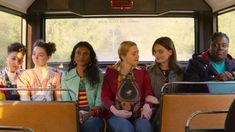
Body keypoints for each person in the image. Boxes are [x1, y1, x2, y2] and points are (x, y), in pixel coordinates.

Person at [101, 41, 153, 132]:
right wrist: (116, 112)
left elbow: (148, 93)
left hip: (138, 113)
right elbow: (105, 96)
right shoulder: (111, 72)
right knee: (126, 128)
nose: (137, 56)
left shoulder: (142, 71)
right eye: (134, 54)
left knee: (145, 127)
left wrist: (147, 106)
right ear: (123, 56)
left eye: (138, 53)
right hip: (116, 114)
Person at [61, 41, 104, 132]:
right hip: (73, 113)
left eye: (85, 54)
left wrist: (89, 114)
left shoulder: (99, 76)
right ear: (74, 56)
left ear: (90, 57)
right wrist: (76, 115)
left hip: (92, 114)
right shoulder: (66, 76)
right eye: (78, 53)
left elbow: (100, 104)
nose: (81, 57)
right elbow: (66, 103)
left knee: (91, 124)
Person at [147, 37, 184, 130]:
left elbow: (183, 95)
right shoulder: (149, 71)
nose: (157, 55)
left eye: (160, 51)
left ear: (170, 52)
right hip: (155, 110)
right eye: (154, 52)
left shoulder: (181, 72)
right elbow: (147, 94)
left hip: (176, 109)